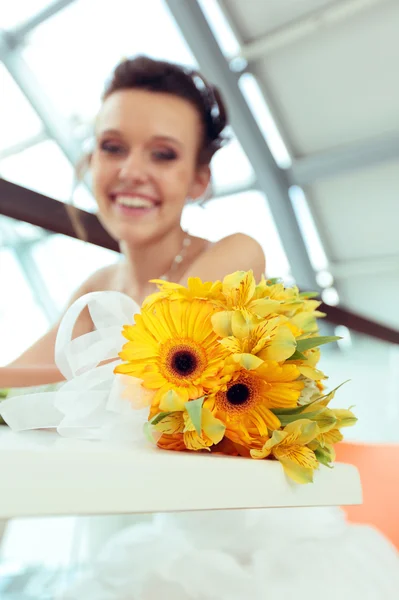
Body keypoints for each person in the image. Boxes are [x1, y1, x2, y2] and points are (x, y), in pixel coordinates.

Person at [0, 56, 265, 389]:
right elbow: (12, 385)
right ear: (92, 160)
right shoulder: (96, 289)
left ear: (199, 180)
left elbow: (144, 367)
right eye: (113, 147)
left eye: (163, 154)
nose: (131, 172)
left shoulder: (237, 257)